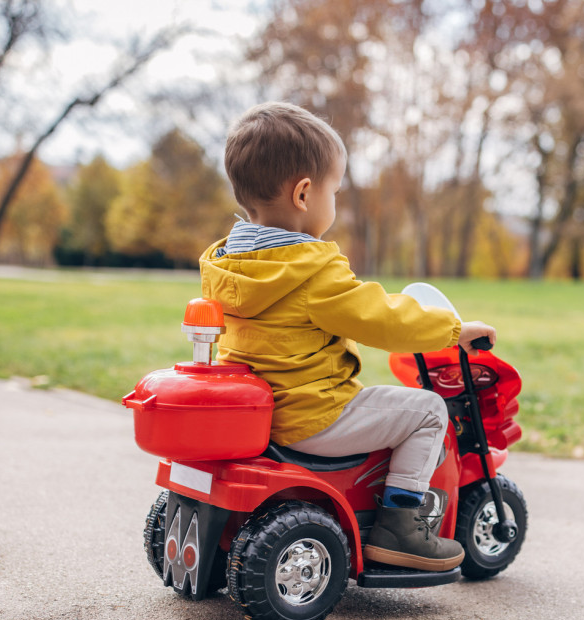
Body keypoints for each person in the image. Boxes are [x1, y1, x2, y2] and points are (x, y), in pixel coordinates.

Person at [200, 102, 496, 572]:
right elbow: (381, 318)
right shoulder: (310, 270)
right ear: (304, 195)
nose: (335, 203)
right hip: (313, 415)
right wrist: (452, 330)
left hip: (264, 414)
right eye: (333, 191)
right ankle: (400, 527)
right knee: (427, 410)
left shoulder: (228, 264)